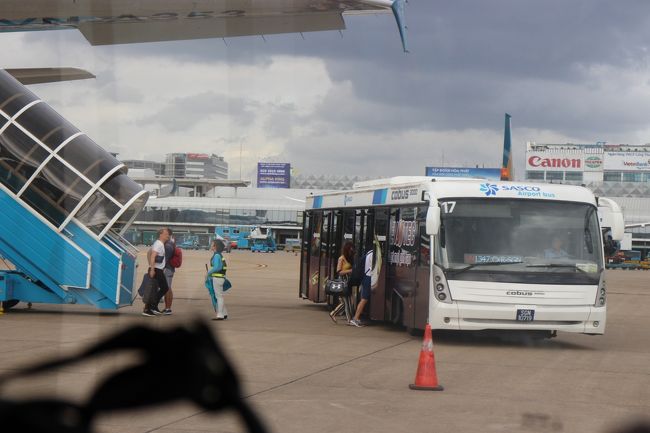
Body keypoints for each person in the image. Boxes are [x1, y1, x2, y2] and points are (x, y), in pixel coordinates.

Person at [143, 228, 171, 317]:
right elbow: (152, 256)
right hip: (156, 270)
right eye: (166, 234)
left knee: (155, 290)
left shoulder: (160, 244)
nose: (168, 235)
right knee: (164, 288)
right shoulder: (158, 244)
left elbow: (151, 255)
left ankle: (151, 307)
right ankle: (152, 307)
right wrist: (152, 269)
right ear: (161, 235)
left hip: (158, 269)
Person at [329, 241, 354, 323]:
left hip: (347, 282)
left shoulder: (349, 258)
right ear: (347, 249)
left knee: (346, 301)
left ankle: (333, 313)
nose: (352, 250)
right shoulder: (341, 258)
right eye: (350, 248)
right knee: (346, 302)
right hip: (342, 282)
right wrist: (350, 270)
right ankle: (349, 319)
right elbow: (339, 271)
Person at [349, 246, 374, 327]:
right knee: (364, 299)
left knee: (363, 299)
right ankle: (355, 318)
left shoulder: (369, 252)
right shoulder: (374, 254)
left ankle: (356, 318)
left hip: (365, 276)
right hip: (369, 277)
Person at [206, 239, 229, 320]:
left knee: (218, 297)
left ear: (215, 246)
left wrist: (209, 273)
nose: (211, 245)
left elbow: (217, 267)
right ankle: (224, 313)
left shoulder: (216, 256)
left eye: (212, 244)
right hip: (220, 278)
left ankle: (220, 314)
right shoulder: (219, 255)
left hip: (217, 278)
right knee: (219, 296)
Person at [162, 228, 176, 315]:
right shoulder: (171, 243)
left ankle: (168, 308)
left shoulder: (167, 245)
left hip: (167, 269)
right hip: (169, 269)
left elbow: (165, 259)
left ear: (169, 234)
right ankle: (167, 307)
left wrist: (161, 268)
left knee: (167, 288)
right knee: (168, 288)